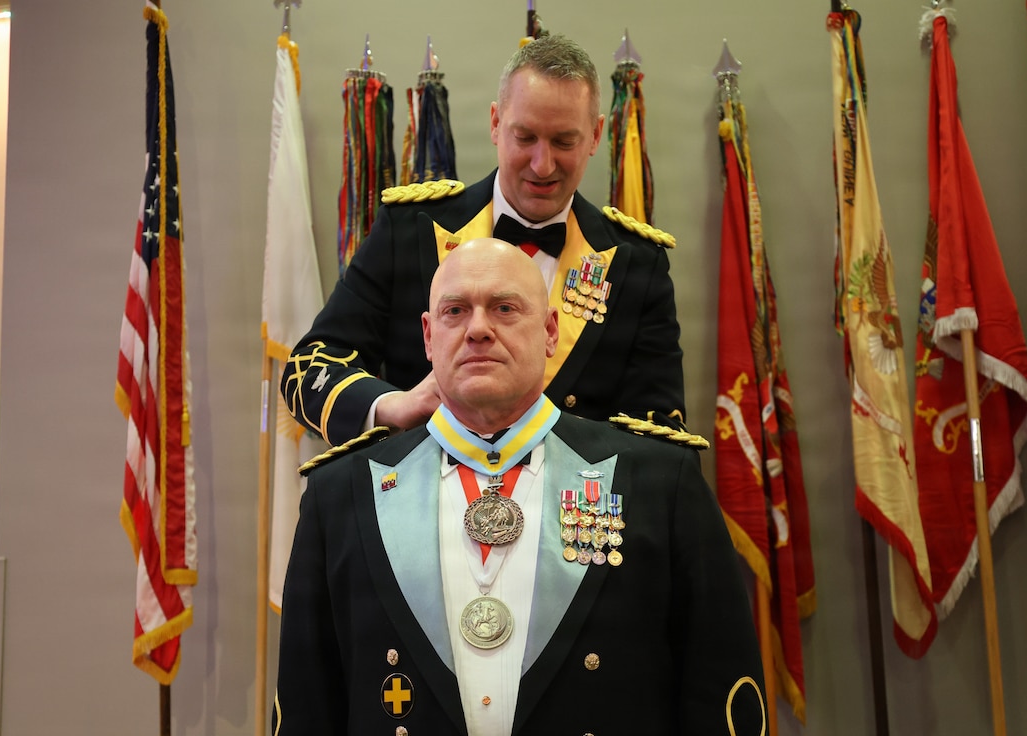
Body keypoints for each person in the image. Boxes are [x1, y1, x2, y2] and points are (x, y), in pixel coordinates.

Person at [273, 239, 765, 735]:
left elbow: (717, 692)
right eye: (455, 311)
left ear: (550, 331)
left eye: (505, 308)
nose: (479, 329)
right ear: (428, 335)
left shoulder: (661, 484)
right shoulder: (339, 496)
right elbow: (307, 708)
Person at [281, 33, 685, 447]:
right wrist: (391, 404)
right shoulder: (410, 229)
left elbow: (661, 437)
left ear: (597, 135)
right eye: (524, 137)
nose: (542, 165)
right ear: (495, 123)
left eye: (564, 141)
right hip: (421, 503)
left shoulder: (636, 261)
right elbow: (307, 370)